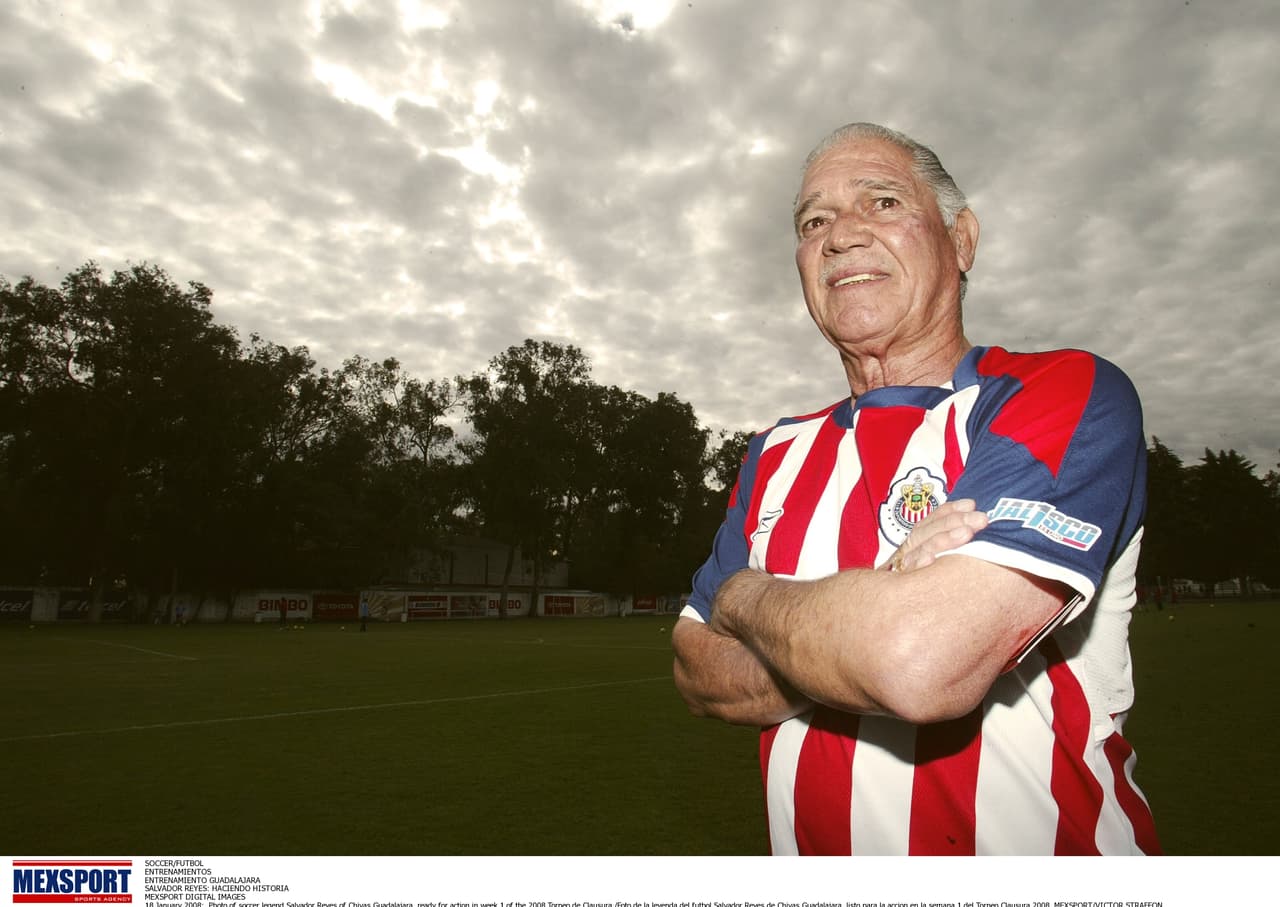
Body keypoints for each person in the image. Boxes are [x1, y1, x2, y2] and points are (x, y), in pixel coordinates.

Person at [672, 122, 1158, 856]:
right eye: (814, 220)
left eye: (883, 202)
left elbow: (918, 661)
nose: (841, 236)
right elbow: (697, 671)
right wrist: (880, 601)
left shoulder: (1060, 393)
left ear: (961, 240)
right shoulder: (772, 453)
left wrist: (741, 596)